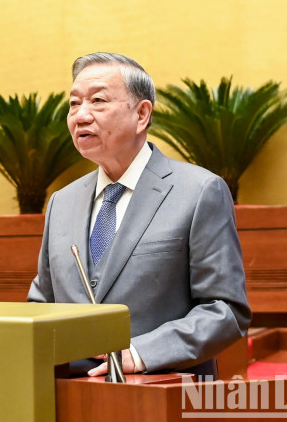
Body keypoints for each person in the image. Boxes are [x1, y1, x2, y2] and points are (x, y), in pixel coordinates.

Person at [27, 52, 251, 378]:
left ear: (142, 114)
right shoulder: (62, 202)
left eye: (98, 100)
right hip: (68, 393)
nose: (80, 115)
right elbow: (42, 303)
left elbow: (226, 309)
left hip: (161, 388)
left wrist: (143, 353)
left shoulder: (199, 191)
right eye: (74, 104)